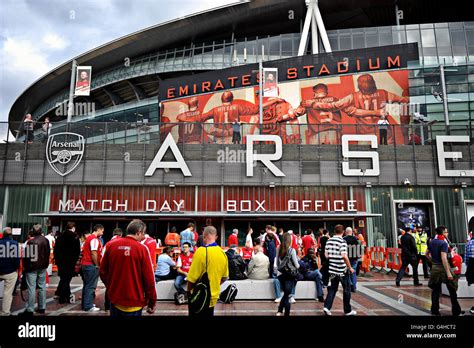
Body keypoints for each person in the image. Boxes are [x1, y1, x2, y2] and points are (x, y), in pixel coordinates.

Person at [100, 219, 156, 317]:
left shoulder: (111, 245)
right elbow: (149, 279)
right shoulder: (142, 249)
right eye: (143, 234)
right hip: (135, 301)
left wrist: (111, 287)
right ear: (138, 233)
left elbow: (103, 271)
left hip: (115, 300)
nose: (143, 237)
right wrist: (152, 301)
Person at [187, 225, 228, 316]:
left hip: (199, 296)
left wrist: (189, 293)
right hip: (213, 297)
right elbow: (224, 277)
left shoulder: (201, 251)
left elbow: (191, 279)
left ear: (203, 235)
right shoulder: (222, 253)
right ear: (216, 237)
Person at [426, 226, 463, 316]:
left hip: (435, 268)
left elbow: (426, 254)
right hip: (443, 268)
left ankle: (434, 310)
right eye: (446, 232)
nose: (447, 233)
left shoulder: (432, 242)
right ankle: (456, 311)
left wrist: (433, 262)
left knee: (435, 290)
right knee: (452, 290)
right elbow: (444, 258)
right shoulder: (443, 243)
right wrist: (448, 273)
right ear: (443, 233)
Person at [323, 224, 356, 316]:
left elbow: (326, 255)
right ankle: (347, 310)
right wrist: (350, 267)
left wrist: (333, 257)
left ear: (334, 231)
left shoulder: (329, 240)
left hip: (332, 270)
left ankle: (327, 307)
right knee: (347, 289)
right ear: (343, 232)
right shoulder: (342, 241)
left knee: (333, 289)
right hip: (342, 270)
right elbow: (344, 256)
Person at [20, 224, 50, 316]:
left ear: (33, 231)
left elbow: (27, 256)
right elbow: (48, 253)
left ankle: (30, 309)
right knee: (42, 287)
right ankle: (42, 307)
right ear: (41, 231)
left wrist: (25, 267)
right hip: (43, 266)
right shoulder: (46, 240)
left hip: (32, 267)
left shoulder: (31, 242)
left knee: (31, 288)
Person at [54, 222, 80, 304]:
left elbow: (56, 251)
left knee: (63, 278)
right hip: (70, 262)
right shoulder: (75, 237)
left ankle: (67, 296)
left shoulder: (60, 237)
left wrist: (57, 261)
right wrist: (75, 260)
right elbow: (77, 251)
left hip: (61, 261)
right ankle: (63, 297)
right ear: (73, 228)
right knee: (66, 279)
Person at [80, 224, 104, 312]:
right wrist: (97, 264)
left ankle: (86, 304)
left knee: (87, 285)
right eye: (102, 230)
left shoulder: (89, 238)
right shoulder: (94, 239)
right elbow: (94, 253)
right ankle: (88, 305)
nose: (102, 232)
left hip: (86, 264)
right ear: (98, 229)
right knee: (91, 286)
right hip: (90, 265)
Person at [275, 232, 300, 316]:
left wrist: (279, 269)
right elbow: (297, 265)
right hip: (290, 275)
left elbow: (277, 262)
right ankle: (286, 313)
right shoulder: (292, 250)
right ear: (290, 240)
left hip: (281, 274)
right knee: (287, 295)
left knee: (286, 293)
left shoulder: (278, 248)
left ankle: (280, 310)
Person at [0, 227, 20, 316]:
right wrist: (16, 267)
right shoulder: (14, 244)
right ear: (11, 235)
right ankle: (5, 312)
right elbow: (16, 259)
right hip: (10, 271)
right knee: (8, 293)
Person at [102, 228, 123, 311]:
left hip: (109, 270)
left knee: (109, 287)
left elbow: (103, 258)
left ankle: (107, 305)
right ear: (121, 234)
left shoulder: (107, 244)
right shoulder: (123, 243)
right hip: (120, 270)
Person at [343, 227, 360, 292]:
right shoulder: (355, 239)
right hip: (354, 258)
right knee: (353, 272)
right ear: (351, 232)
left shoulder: (344, 239)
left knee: (347, 272)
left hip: (347, 258)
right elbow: (358, 248)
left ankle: (350, 285)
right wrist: (358, 256)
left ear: (346, 232)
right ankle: (354, 286)